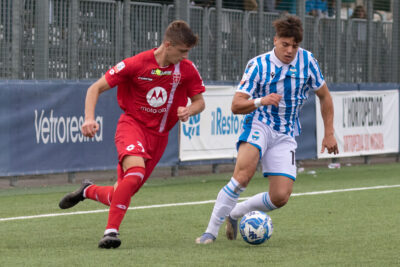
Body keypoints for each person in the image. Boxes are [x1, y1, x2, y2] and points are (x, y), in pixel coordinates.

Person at [59, 20, 206, 249]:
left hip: (159, 138)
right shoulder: (136, 64)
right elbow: (94, 88)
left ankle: (87, 190)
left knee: (122, 193)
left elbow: (200, 102)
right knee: (135, 172)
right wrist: (89, 118)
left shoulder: (186, 69)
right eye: (182, 51)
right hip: (132, 126)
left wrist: (190, 110)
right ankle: (111, 233)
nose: (185, 57)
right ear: (167, 45)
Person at [196, 14, 338, 244]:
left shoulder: (308, 61)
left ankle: (235, 213)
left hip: (286, 132)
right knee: (242, 177)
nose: (290, 50)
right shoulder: (258, 65)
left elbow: (324, 96)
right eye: (285, 44)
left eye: (295, 45)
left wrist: (329, 132)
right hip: (260, 124)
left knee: (280, 196)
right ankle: (210, 232)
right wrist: (261, 100)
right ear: (275, 40)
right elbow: (236, 105)